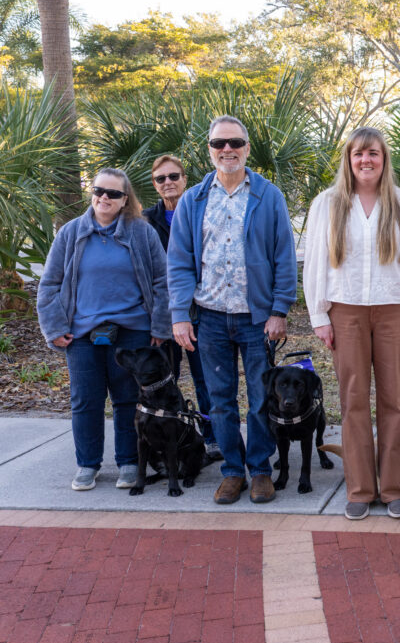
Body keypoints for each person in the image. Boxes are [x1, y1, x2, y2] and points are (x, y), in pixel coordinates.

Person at [304, 127, 400, 521]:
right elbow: (315, 262)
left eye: (373, 153)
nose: (366, 160)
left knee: (395, 401)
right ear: (348, 158)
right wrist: (319, 315)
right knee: (354, 400)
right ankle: (360, 488)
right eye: (359, 154)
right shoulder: (327, 204)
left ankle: (392, 486)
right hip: (345, 311)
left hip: (395, 310)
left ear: (384, 158)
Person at [167, 115, 297, 506]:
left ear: (246, 148)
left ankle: (259, 471)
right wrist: (179, 314)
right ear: (209, 149)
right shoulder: (193, 200)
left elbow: (284, 256)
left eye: (235, 142)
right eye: (220, 143)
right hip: (208, 317)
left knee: (260, 399)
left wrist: (279, 309)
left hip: (256, 318)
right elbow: (179, 262)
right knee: (220, 401)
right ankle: (231, 472)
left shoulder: (268, 195)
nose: (228, 149)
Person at [37, 168, 171, 491]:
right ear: (91, 193)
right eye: (99, 191)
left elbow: (162, 281)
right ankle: (87, 464)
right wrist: (54, 326)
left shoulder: (142, 233)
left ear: (125, 199)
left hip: (132, 332)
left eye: (113, 193)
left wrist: (160, 325)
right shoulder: (70, 234)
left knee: (127, 398)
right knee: (85, 400)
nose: (104, 198)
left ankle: (128, 462)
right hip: (82, 334)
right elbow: (49, 284)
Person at [142, 154, 220, 461]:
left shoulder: (202, 211)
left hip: (200, 311)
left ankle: (213, 438)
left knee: (206, 380)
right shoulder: (146, 220)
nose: (168, 183)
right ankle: (169, 442)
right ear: (154, 185)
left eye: (174, 176)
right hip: (163, 315)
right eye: (161, 179)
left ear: (185, 179)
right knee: (165, 380)